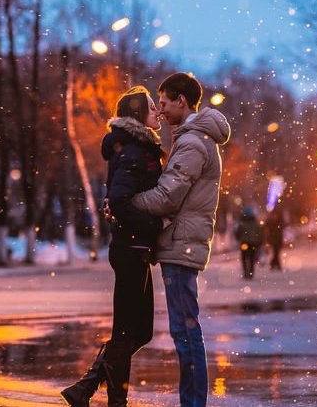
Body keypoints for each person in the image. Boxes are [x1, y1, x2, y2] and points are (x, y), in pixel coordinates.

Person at [131, 72, 231, 407]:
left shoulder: (191, 142)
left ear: (181, 101)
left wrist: (127, 202)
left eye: (163, 102)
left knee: (186, 332)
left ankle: (192, 404)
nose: (159, 110)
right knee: (185, 330)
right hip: (183, 242)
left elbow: (168, 196)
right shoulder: (194, 138)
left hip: (181, 244)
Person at [61, 86, 163, 407]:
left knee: (136, 331)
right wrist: (154, 225)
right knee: (127, 332)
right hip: (131, 248)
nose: (157, 111)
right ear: (137, 115)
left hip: (131, 248)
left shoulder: (134, 148)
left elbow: (118, 200)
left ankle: (92, 389)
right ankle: (98, 392)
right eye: (151, 107)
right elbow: (118, 200)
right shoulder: (134, 152)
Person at [234, 206, 263, 279]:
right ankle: (251, 272)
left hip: (244, 243)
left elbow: (238, 233)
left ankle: (245, 272)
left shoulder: (242, 223)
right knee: (252, 258)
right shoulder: (255, 223)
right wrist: (259, 242)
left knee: (244, 257)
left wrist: (238, 238)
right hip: (253, 243)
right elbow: (260, 233)